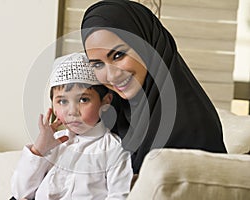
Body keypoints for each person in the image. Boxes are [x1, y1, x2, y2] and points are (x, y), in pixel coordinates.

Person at [81, 0, 227, 174]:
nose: (111, 76)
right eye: (98, 65)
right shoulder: (116, 110)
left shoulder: (188, 126)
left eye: (119, 55)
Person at [10, 53, 133, 200]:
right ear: (53, 107)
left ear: (105, 101)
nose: (72, 111)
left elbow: (119, 196)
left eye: (83, 99)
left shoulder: (113, 149)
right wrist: (39, 150)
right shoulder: (53, 143)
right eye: (62, 101)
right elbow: (20, 193)